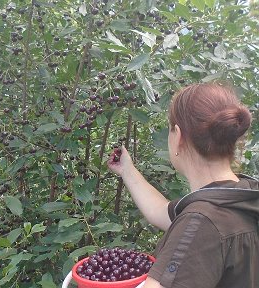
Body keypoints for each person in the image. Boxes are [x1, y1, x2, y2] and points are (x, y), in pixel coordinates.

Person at [107, 82, 259, 288]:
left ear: (178, 136)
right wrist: (127, 170)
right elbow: (160, 211)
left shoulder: (202, 222)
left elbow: (196, 226)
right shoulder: (241, 196)